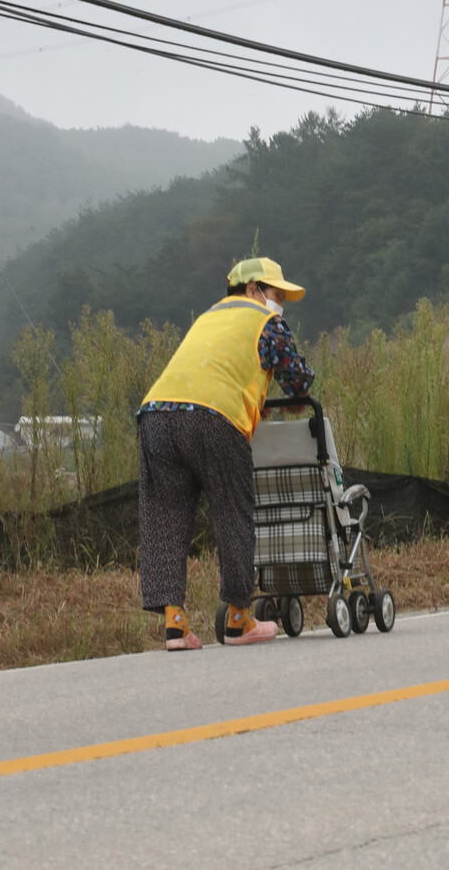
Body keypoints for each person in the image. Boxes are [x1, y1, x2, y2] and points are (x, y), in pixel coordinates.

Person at [137, 256, 314, 649]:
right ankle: (238, 618)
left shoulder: (206, 318)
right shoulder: (266, 323)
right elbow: (298, 380)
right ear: (252, 290)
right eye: (276, 292)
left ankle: (175, 625)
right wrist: (292, 394)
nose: (280, 301)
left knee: (164, 519)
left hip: (156, 413)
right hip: (214, 417)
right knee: (233, 509)